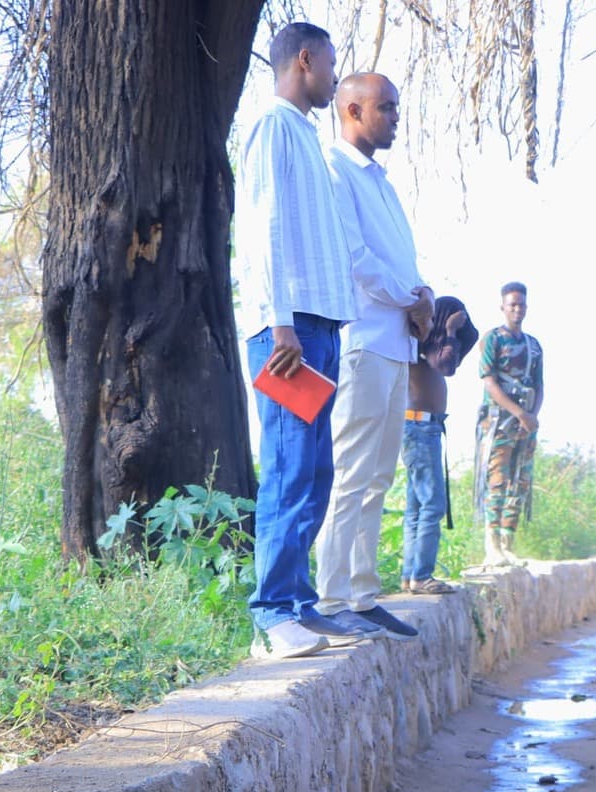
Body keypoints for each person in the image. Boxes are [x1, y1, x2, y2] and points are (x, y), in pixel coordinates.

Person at [235, 22, 362, 661]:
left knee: (315, 470)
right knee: (287, 467)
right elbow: (262, 229)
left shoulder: (306, 134)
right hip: (288, 332)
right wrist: (280, 321)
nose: (335, 78)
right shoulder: (272, 125)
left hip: (320, 326)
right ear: (305, 61)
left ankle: (299, 605)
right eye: (331, 66)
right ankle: (271, 613)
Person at [313, 72, 434, 641]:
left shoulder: (379, 180)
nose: (394, 118)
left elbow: (398, 260)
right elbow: (356, 259)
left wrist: (424, 293)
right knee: (351, 473)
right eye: (385, 108)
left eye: (396, 108)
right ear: (353, 111)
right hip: (362, 341)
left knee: (378, 475)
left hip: (395, 344)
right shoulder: (335, 171)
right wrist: (410, 298)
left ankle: (363, 596)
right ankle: (331, 598)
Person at [400, 297, 479, 595]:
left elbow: (454, 358)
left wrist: (455, 333)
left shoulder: (426, 348)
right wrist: (446, 328)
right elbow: (446, 366)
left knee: (417, 507)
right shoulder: (418, 346)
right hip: (419, 427)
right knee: (432, 504)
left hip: (422, 426)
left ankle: (411, 575)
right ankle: (421, 575)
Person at [474, 284, 544, 566]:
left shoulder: (534, 345)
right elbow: (489, 382)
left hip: (525, 423)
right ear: (502, 307)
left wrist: (532, 417)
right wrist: (518, 412)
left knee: (520, 481)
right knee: (498, 480)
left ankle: (507, 543)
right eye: (512, 305)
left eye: (521, 305)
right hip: (498, 421)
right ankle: (491, 545)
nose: (517, 309)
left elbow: (539, 384)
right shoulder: (493, 339)